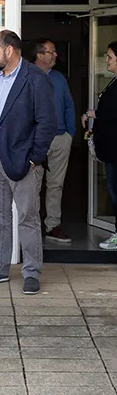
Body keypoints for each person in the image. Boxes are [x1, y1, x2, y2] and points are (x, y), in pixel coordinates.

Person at [0, 30, 56, 295]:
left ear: (9, 51)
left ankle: (31, 272)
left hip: (22, 160)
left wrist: (34, 158)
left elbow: (47, 123)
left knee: (28, 219)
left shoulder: (35, 79)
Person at [32, 39, 76, 243]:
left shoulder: (59, 78)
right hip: (35, 140)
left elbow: (68, 105)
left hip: (60, 138)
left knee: (55, 185)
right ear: (40, 55)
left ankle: (52, 226)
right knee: (31, 186)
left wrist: (70, 133)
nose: (55, 55)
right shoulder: (26, 75)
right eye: (52, 52)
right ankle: (29, 228)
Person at [83, 41, 117, 249]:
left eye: (110, 57)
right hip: (111, 150)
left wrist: (92, 114)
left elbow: (111, 113)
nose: (106, 61)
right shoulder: (113, 82)